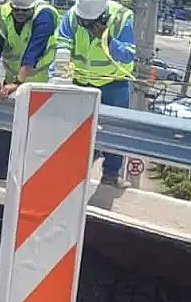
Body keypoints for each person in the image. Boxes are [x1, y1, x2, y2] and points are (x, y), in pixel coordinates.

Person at [56, 0, 134, 186]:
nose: (87, 26)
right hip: (82, 82)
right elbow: (62, 44)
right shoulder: (74, 15)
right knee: (78, 129)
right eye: (84, 22)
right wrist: (59, 73)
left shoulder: (121, 17)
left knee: (115, 129)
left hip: (112, 83)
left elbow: (127, 54)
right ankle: (75, 173)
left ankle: (111, 174)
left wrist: (107, 39)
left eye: (90, 23)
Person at [0, 0, 58, 179]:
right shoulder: (4, 13)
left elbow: (35, 49)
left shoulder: (44, 14)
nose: (20, 14)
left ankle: (31, 173)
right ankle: (0, 167)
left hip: (41, 82)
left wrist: (18, 81)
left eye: (25, 11)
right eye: (17, 11)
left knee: (35, 130)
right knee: (3, 125)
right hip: (12, 78)